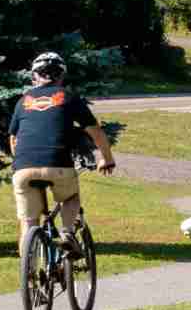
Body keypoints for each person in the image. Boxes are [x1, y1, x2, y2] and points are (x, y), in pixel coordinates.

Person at [8, 52, 116, 252]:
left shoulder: (23, 101)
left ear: (34, 76)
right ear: (61, 76)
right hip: (58, 164)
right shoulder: (68, 97)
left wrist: (23, 162)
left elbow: (13, 139)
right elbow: (96, 132)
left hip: (23, 168)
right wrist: (107, 159)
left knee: (28, 222)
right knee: (70, 197)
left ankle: (28, 275)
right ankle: (67, 233)